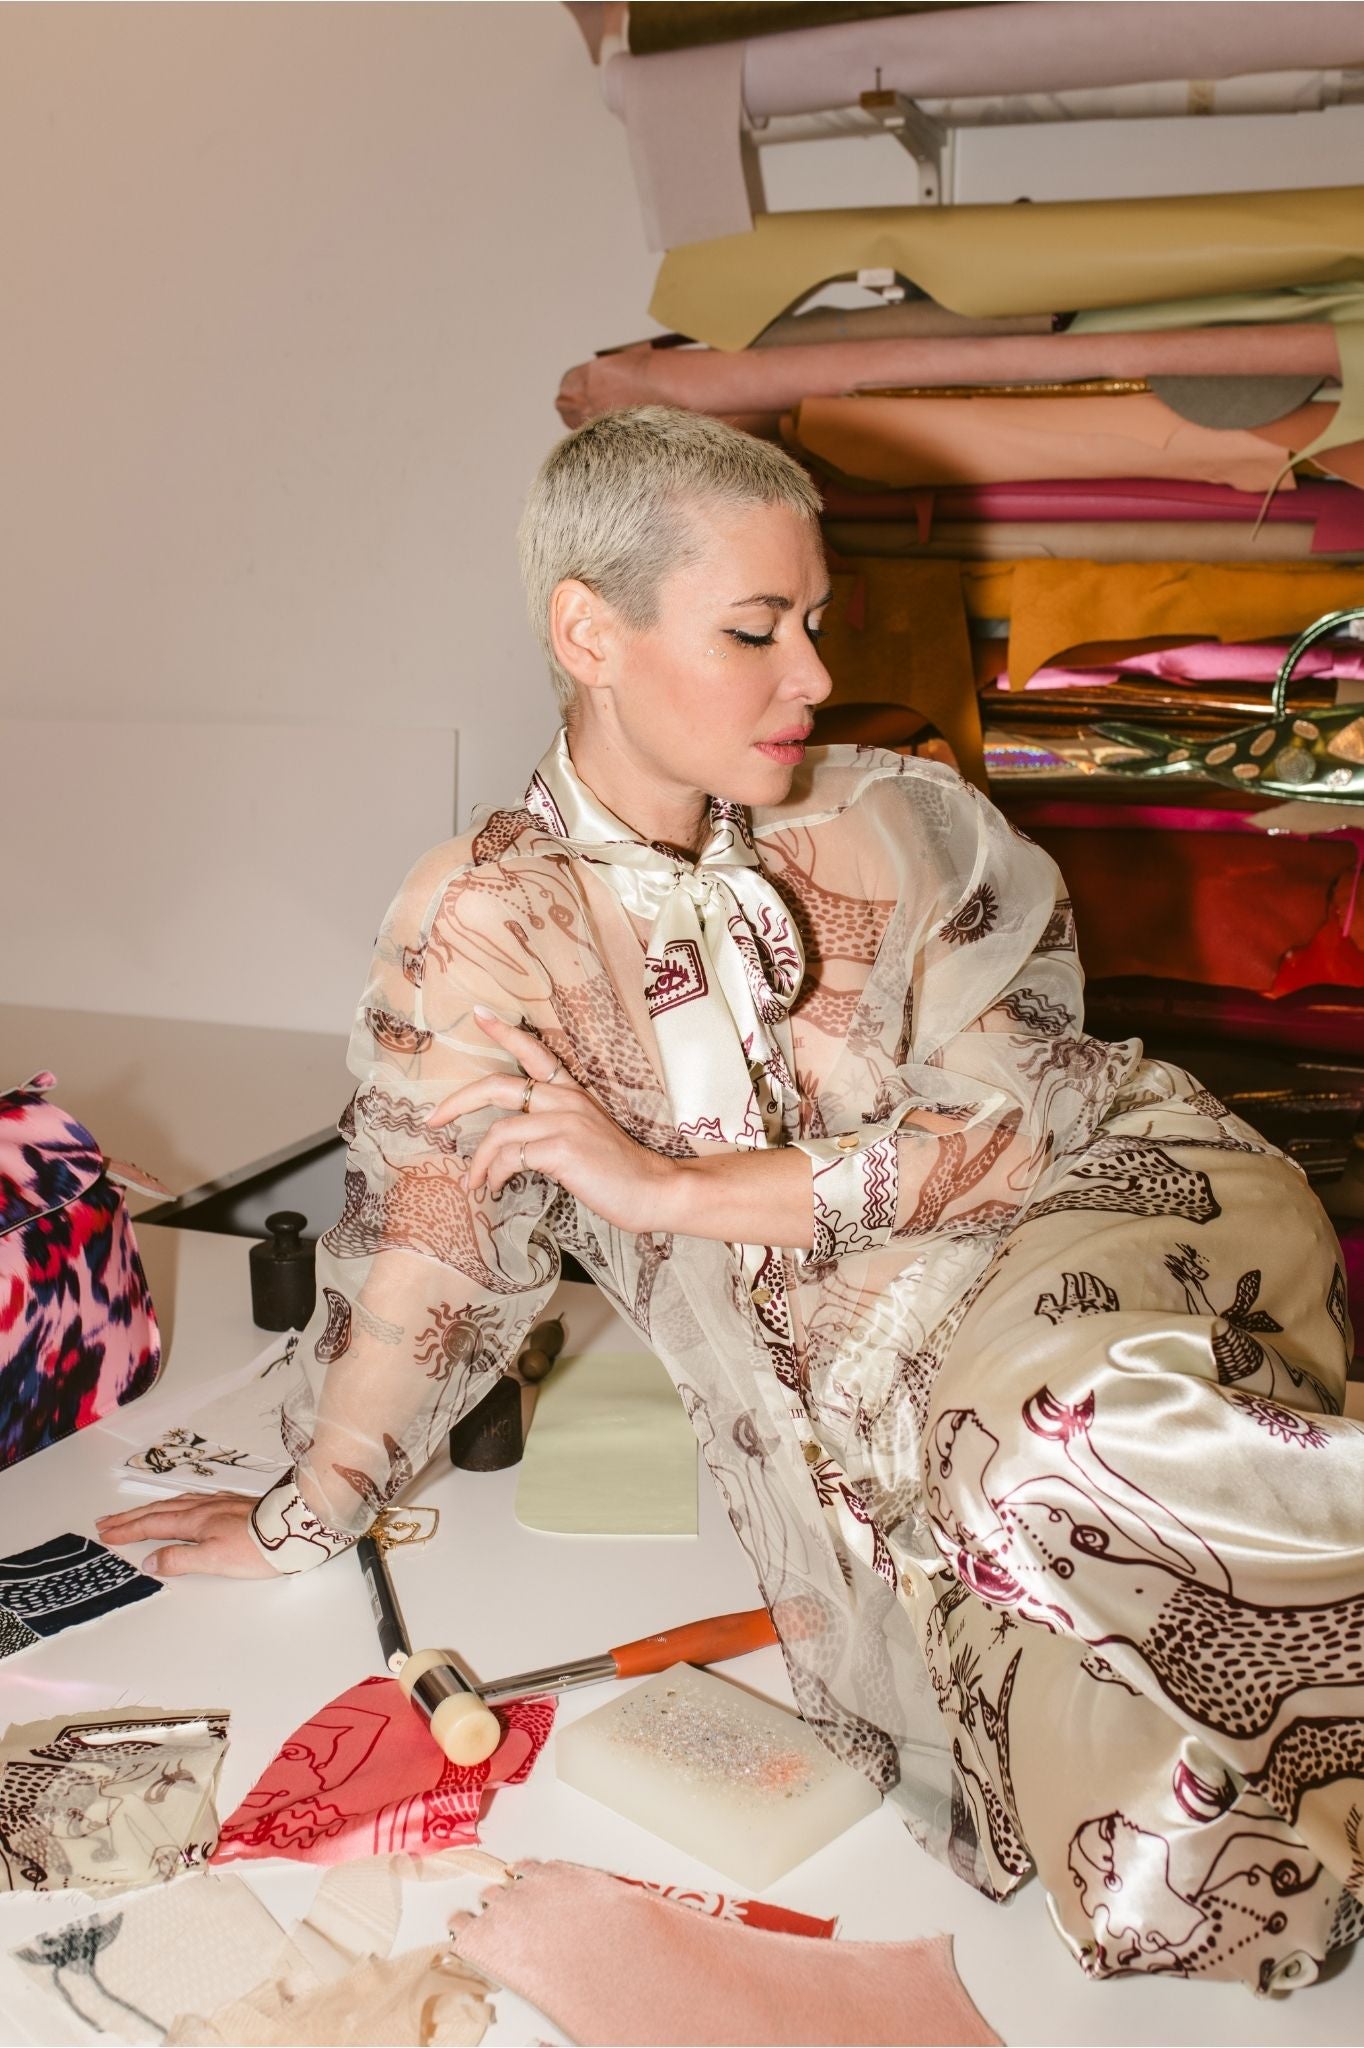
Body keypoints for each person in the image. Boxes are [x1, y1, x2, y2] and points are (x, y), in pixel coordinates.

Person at [98, 407, 1363, 1990]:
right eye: (757, 629)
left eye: (815, 622)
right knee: (1139, 1870)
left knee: (1059, 1436)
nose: (814, 675)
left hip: (1114, 1215)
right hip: (891, 1432)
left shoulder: (898, 821)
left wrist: (664, 1189)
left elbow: (1008, 1139)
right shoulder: (487, 925)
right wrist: (313, 1507)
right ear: (590, 634)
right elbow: (436, 1245)